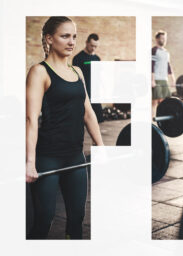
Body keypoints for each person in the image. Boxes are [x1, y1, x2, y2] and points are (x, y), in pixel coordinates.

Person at [26, 16, 104, 239]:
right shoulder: (39, 72)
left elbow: (88, 113)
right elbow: (31, 119)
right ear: (49, 39)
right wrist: (30, 163)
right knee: (43, 220)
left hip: (75, 157)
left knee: (77, 218)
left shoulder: (77, 72)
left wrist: (101, 148)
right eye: (65, 36)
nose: (71, 42)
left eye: (74, 37)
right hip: (48, 157)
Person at [72, 33, 102, 123]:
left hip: (95, 93)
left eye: (95, 46)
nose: (93, 48)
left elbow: (99, 76)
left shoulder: (97, 58)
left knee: (98, 119)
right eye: (92, 45)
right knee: (82, 120)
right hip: (83, 92)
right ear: (86, 43)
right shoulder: (78, 58)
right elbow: (75, 77)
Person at [152, 31, 174, 119]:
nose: (163, 40)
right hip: (156, 78)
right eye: (162, 38)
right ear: (157, 39)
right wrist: (152, 79)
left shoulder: (166, 52)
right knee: (155, 101)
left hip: (164, 79)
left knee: (166, 100)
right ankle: (152, 118)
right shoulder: (154, 50)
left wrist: (172, 78)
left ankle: (161, 117)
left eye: (165, 38)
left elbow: (168, 66)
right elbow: (151, 65)